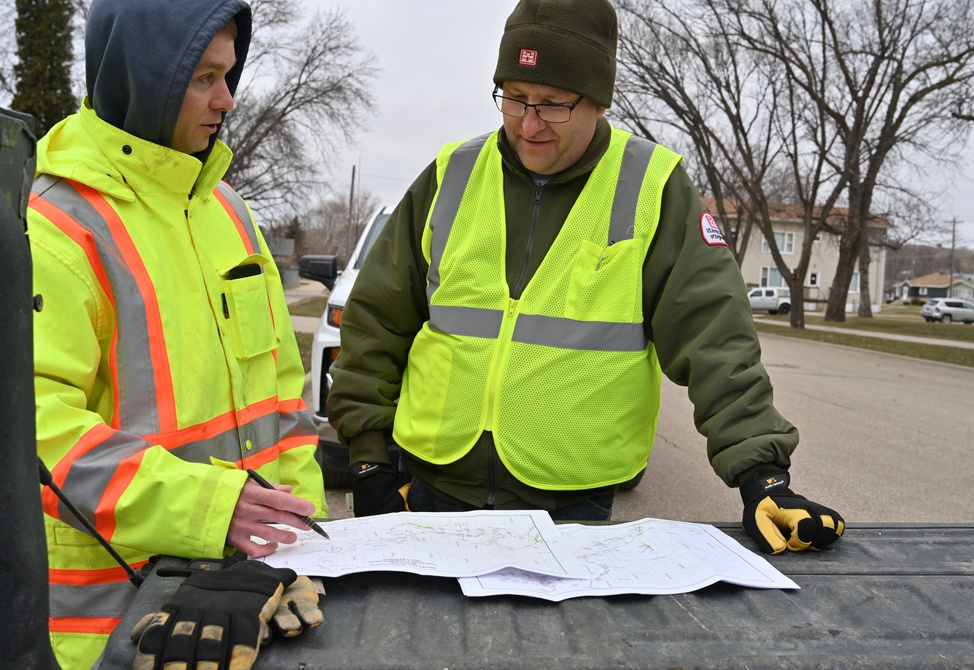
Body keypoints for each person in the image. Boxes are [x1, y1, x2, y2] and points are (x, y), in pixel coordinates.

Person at [328, 0, 844, 549]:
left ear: (597, 101)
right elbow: (377, 323)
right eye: (514, 98)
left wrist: (760, 475)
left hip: (573, 503)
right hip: (431, 484)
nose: (528, 124)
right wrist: (368, 460)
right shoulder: (451, 175)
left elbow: (714, 333)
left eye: (551, 105)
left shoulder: (653, 187)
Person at [27, 1, 327, 667]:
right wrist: (211, 509)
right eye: (202, 79)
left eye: (228, 74)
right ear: (142, 79)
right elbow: (34, 435)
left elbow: (280, 395)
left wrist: (307, 533)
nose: (226, 99)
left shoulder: (229, 211)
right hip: (114, 622)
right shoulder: (54, 225)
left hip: (252, 597)